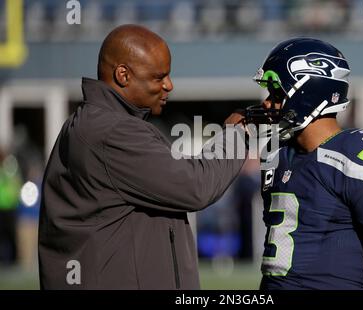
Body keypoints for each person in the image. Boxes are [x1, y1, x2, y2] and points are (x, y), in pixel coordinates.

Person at [38, 24, 247, 289]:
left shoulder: (97, 122)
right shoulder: (111, 131)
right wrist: (237, 136)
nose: (169, 85)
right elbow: (195, 186)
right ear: (123, 75)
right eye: (159, 77)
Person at [245, 38, 363, 290]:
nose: (267, 102)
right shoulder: (276, 154)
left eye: (276, 92)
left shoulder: (357, 154)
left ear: (307, 92)